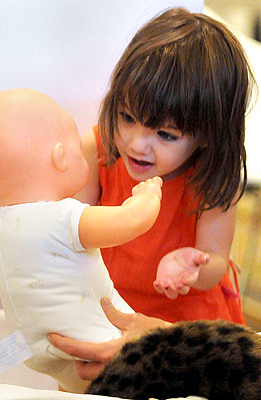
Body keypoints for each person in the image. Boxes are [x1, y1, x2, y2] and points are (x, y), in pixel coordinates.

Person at [48, 6, 256, 381]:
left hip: (187, 320)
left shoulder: (211, 176)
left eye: (165, 134)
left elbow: (215, 265)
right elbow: (70, 228)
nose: (136, 144)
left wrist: (193, 264)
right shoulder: (97, 149)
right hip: (112, 304)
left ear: (207, 135)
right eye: (127, 117)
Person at [0, 88, 165, 393]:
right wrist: (148, 195)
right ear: (60, 156)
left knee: (71, 386)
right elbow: (130, 221)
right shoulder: (61, 217)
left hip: (37, 347)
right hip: (93, 341)